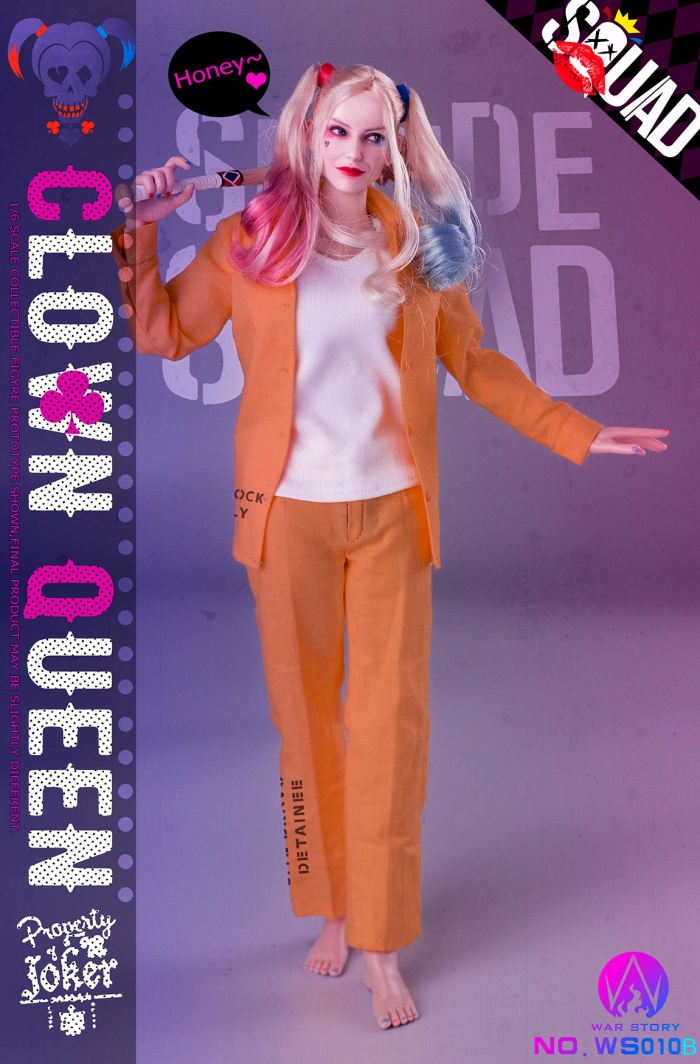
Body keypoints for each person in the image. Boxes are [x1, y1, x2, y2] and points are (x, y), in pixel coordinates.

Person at [112, 62, 667, 1031]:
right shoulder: (249, 239)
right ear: (306, 133)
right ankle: (330, 903)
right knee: (305, 724)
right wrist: (142, 227)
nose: (354, 151)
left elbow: (475, 363)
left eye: (374, 136)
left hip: (392, 517)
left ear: (396, 149)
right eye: (338, 131)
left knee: (390, 727)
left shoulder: (416, 248)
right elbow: (162, 333)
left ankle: (380, 938)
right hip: (284, 517)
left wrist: (576, 432)